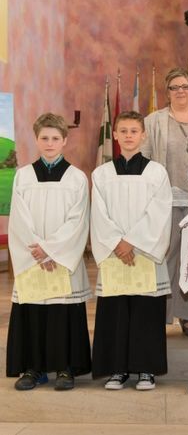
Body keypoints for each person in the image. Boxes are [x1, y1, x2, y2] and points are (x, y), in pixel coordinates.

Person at [7, 113, 91, 391]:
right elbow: (18, 218)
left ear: (65, 140)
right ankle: (34, 368)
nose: (50, 143)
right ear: (36, 140)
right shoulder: (23, 176)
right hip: (32, 256)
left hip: (60, 259)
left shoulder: (77, 178)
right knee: (33, 311)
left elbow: (78, 219)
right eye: (45, 138)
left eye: (56, 138)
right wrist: (37, 249)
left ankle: (66, 369)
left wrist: (52, 249)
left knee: (62, 313)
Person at [91, 111, 173, 390]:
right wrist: (117, 242)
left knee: (145, 311)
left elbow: (160, 212)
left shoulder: (156, 172)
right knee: (115, 310)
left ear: (143, 135)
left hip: (144, 252)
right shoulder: (101, 174)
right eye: (123, 131)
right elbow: (98, 213)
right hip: (115, 252)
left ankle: (146, 369)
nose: (128, 136)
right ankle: (118, 369)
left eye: (133, 131)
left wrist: (133, 242)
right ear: (115, 135)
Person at [143, 67, 188, 337]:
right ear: (167, 91)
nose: (181, 91)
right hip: (166, 198)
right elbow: (146, 158)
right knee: (167, 255)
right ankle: (161, 312)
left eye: (185, 86)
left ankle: (187, 315)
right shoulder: (154, 121)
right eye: (175, 87)